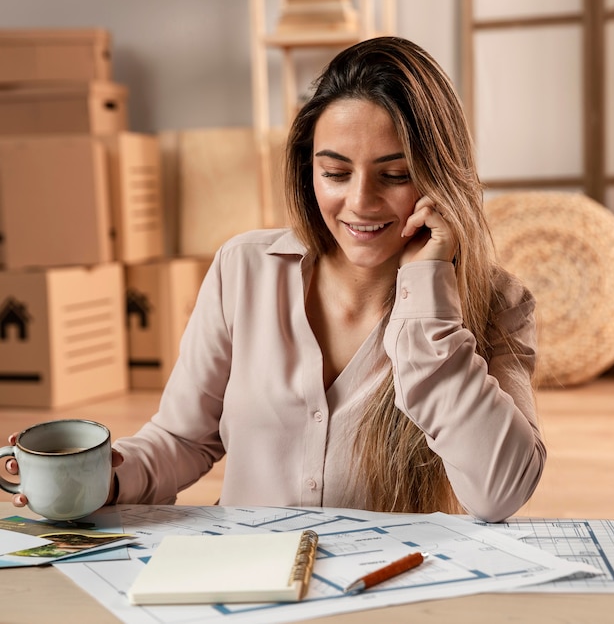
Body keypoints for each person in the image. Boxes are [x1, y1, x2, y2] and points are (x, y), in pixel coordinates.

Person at [7, 36, 545, 523]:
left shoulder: (499, 303)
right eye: (334, 173)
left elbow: (500, 491)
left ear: (439, 176)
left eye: (396, 174)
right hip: (252, 579)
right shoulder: (244, 269)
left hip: (390, 587)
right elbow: (181, 438)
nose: (359, 202)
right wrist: (102, 478)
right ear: (306, 169)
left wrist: (430, 296)